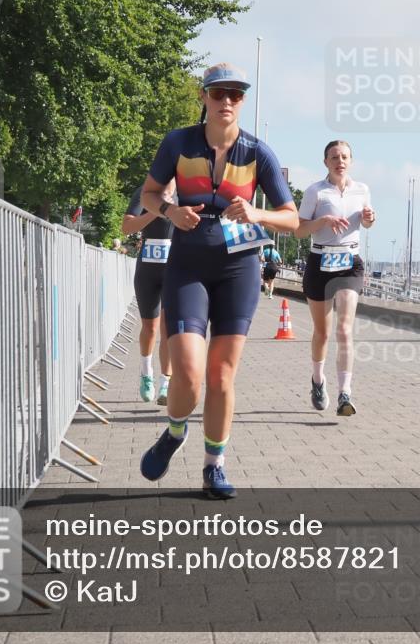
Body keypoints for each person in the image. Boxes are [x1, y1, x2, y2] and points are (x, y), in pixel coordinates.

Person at [137, 62, 298, 498]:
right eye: (219, 93)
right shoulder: (179, 142)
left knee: (222, 376)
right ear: (204, 97)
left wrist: (257, 212)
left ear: (242, 101)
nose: (227, 101)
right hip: (187, 262)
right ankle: (174, 433)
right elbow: (150, 193)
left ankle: (214, 466)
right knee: (188, 374)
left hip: (238, 267)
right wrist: (170, 211)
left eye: (236, 94)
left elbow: (291, 217)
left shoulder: (257, 152)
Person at [296, 140, 375, 416]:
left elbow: (365, 223)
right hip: (320, 261)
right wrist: (323, 221)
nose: (339, 161)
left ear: (351, 161)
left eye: (344, 157)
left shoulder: (362, 190)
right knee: (323, 332)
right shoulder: (315, 192)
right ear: (325, 162)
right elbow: (299, 230)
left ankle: (345, 393)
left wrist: (369, 218)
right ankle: (318, 381)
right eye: (334, 157)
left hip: (349, 262)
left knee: (344, 330)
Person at [122, 182, 176, 405]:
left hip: (174, 270)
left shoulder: (186, 191)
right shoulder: (145, 192)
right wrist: (156, 212)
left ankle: (166, 381)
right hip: (147, 270)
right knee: (150, 327)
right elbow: (126, 227)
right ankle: (146, 374)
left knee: (168, 328)